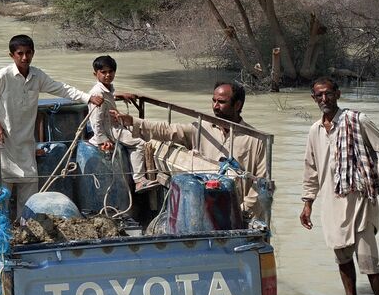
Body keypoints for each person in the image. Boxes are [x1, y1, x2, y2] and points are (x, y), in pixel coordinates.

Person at [300, 77, 379, 295]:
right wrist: (307, 203)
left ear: (338, 94)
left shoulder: (357, 120)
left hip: (361, 202)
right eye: (319, 95)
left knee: (369, 264)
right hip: (332, 204)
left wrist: (370, 176)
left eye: (329, 94)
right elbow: (311, 169)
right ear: (314, 99)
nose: (325, 99)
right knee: (342, 260)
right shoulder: (315, 131)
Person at [0, 34, 103, 215]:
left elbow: (61, 88)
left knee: (30, 188)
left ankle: (26, 226)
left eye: (28, 53)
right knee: (2, 190)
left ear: (33, 53)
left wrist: (88, 98)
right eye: (20, 53)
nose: (24, 58)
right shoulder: (4, 76)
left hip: (25, 143)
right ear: (11, 55)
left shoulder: (37, 76)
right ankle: (1, 227)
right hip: (3, 141)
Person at [111, 81, 269, 220]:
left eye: (221, 102)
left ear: (237, 105)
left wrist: (243, 211)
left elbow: (262, 182)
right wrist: (132, 121)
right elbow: (168, 130)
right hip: (204, 204)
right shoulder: (203, 128)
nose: (215, 106)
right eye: (213, 101)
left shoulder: (255, 140)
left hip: (237, 209)